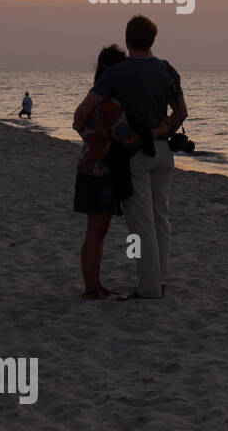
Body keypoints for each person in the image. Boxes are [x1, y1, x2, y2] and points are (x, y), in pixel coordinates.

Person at [73, 15, 187, 300]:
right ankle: (158, 279)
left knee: (142, 223)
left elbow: (81, 113)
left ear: (127, 39)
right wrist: (161, 129)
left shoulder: (118, 72)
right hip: (164, 152)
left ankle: (148, 287)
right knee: (161, 217)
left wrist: (98, 136)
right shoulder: (167, 69)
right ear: (153, 40)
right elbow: (182, 112)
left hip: (137, 154)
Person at [74, 46, 157, 299]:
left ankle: (95, 285)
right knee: (96, 232)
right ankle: (91, 288)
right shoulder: (110, 104)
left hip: (88, 168)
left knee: (97, 231)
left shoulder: (93, 100)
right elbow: (128, 137)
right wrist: (157, 130)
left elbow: (79, 125)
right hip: (102, 173)